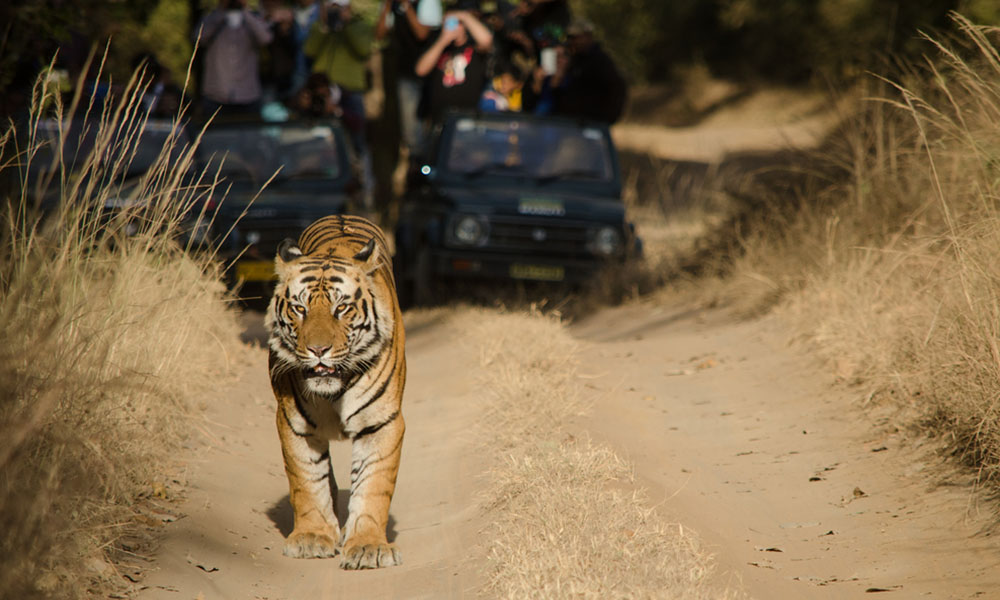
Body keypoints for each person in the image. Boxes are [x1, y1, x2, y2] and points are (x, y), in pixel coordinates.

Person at [304, 0, 375, 209]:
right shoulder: (320, 26)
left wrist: (345, 26)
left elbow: (363, 50)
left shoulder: (360, 26)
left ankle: (364, 191)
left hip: (349, 92)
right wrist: (324, 24)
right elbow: (309, 50)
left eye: (339, 7)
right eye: (332, 6)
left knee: (357, 141)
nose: (336, 11)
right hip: (321, 86)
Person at [375, 0, 443, 152]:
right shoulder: (392, 5)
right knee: (410, 128)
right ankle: (415, 161)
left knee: (434, 122)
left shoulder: (428, 3)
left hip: (432, 75)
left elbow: (422, 34)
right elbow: (379, 34)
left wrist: (406, 6)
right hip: (406, 74)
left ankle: (430, 159)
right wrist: (386, 6)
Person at [193, 0, 274, 117]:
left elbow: (266, 38)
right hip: (216, 94)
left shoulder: (252, 19)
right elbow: (198, 37)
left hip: (248, 94)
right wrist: (222, 11)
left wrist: (245, 11)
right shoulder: (211, 18)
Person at [414, 9, 493, 125]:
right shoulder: (438, 47)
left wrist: (464, 16)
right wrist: (443, 40)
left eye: (457, 23)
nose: (454, 26)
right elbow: (420, 70)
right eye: (449, 23)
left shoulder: (475, 49)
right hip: (439, 121)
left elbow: (487, 40)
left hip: (467, 121)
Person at [551, 17, 626, 124]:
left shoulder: (600, 61)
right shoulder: (573, 60)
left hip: (591, 125)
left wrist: (607, 120)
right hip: (568, 125)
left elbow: (617, 89)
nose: (572, 41)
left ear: (588, 36)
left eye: (576, 37)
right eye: (570, 38)